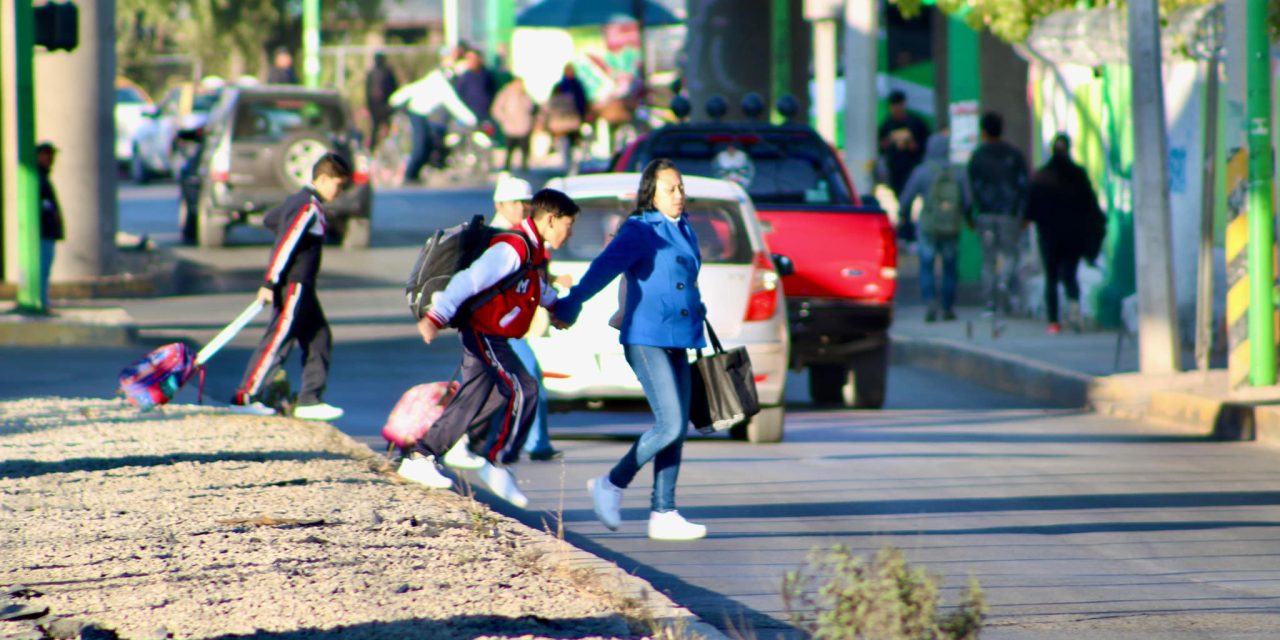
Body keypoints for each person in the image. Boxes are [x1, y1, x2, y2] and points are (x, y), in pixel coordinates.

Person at [551, 159, 709, 542]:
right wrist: (573, 303)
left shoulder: (684, 227)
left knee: (678, 429)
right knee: (669, 423)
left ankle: (664, 512)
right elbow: (605, 268)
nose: (678, 195)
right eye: (670, 188)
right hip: (646, 337)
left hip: (681, 337)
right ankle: (610, 484)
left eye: (681, 187)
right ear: (651, 194)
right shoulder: (641, 229)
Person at [398, 189, 581, 507]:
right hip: (483, 332)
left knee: (484, 396)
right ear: (551, 220)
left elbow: (534, 286)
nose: (571, 231)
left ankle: (422, 455)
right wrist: (436, 316)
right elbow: (470, 280)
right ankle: (498, 463)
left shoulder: (533, 251)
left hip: (494, 335)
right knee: (525, 389)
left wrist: (555, 308)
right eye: (569, 223)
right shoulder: (513, 247)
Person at [230, 153, 351, 421]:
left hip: (304, 287)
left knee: (320, 337)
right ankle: (245, 396)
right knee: (279, 339)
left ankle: (310, 400)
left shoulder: (300, 203)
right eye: (338, 185)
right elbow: (286, 243)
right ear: (322, 179)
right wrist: (270, 282)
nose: (339, 192)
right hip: (294, 285)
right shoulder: (307, 206)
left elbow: (271, 219)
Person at [482, 175, 565, 462]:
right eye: (515, 202)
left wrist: (551, 280)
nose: (521, 208)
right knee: (530, 377)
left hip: (510, 323)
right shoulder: (497, 237)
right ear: (500, 204)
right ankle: (535, 442)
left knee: (494, 384)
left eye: (526, 203)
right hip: (499, 325)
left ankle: (482, 442)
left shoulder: (522, 235)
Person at [1026, 133, 1106, 334]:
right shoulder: (1078, 175)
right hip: (1073, 236)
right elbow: (1091, 206)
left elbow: (1031, 209)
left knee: (1051, 277)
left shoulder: (1042, 176)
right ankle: (1074, 312)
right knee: (1070, 275)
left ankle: (1054, 321)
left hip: (1049, 237)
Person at [896, 132, 971, 323]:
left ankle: (930, 301)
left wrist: (903, 217)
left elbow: (906, 199)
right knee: (950, 265)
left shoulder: (922, 171)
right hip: (951, 226)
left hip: (928, 225)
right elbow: (968, 201)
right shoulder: (958, 172)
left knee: (927, 265)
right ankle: (947, 307)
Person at [967, 111, 1030, 314]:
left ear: (983, 131)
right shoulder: (1014, 155)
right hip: (1010, 215)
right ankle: (1004, 285)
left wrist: (969, 214)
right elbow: (1024, 185)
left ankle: (989, 302)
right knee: (1011, 255)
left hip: (985, 215)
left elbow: (970, 188)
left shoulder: (977, 156)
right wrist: (1025, 213)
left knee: (988, 259)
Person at [388, 60, 477, 183]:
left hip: (425, 116)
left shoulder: (435, 80)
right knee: (420, 147)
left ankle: (417, 173)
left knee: (430, 143)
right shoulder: (442, 86)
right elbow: (455, 105)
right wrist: (472, 120)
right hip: (417, 113)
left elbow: (410, 89)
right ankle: (409, 175)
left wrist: (395, 99)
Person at [877, 89, 930, 241]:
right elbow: (881, 147)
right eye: (894, 106)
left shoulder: (915, 123)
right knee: (899, 201)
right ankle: (904, 232)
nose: (896, 109)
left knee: (911, 202)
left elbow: (924, 145)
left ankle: (909, 233)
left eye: (899, 105)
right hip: (895, 170)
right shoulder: (887, 125)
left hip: (912, 169)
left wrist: (912, 145)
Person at [35, 142, 64, 310]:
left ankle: (42, 299)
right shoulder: (37, 178)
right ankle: (40, 301)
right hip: (43, 231)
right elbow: (44, 205)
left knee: (44, 268)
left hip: (47, 232)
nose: (51, 159)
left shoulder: (43, 177)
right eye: (48, 155)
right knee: (42, 268)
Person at [547, 64, 588, 172]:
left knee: (571, 142)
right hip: (568, 120)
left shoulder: (565, 86)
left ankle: (570, 163)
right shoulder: (571, 86)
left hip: (568, 120)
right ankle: (569, 163)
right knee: (569, 141)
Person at [491, 77, 536, 173]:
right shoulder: (505, 94)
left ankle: (524, 166)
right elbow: (497, 109)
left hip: (523, 126)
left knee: (524, 148)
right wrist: (504, 119)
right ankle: (507, 167)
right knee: (510, 148)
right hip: (510, 126)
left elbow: (530, 107)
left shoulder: (525, 95)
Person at [365, 53, 400, 151]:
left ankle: (383, 148)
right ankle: (376, 148)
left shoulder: (380, 73)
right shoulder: (382, 72)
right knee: (379, 127)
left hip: (381, 106)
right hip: (381, 106)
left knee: (379, 128)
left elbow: (393, 88)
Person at [455, 49, 496, 129]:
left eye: (473, 58)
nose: (470, 61)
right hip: (468, 116)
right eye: (468, 59)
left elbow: (492, 91)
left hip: (485, 115)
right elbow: (458, 95)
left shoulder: (487, 75)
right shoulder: (464, 77)